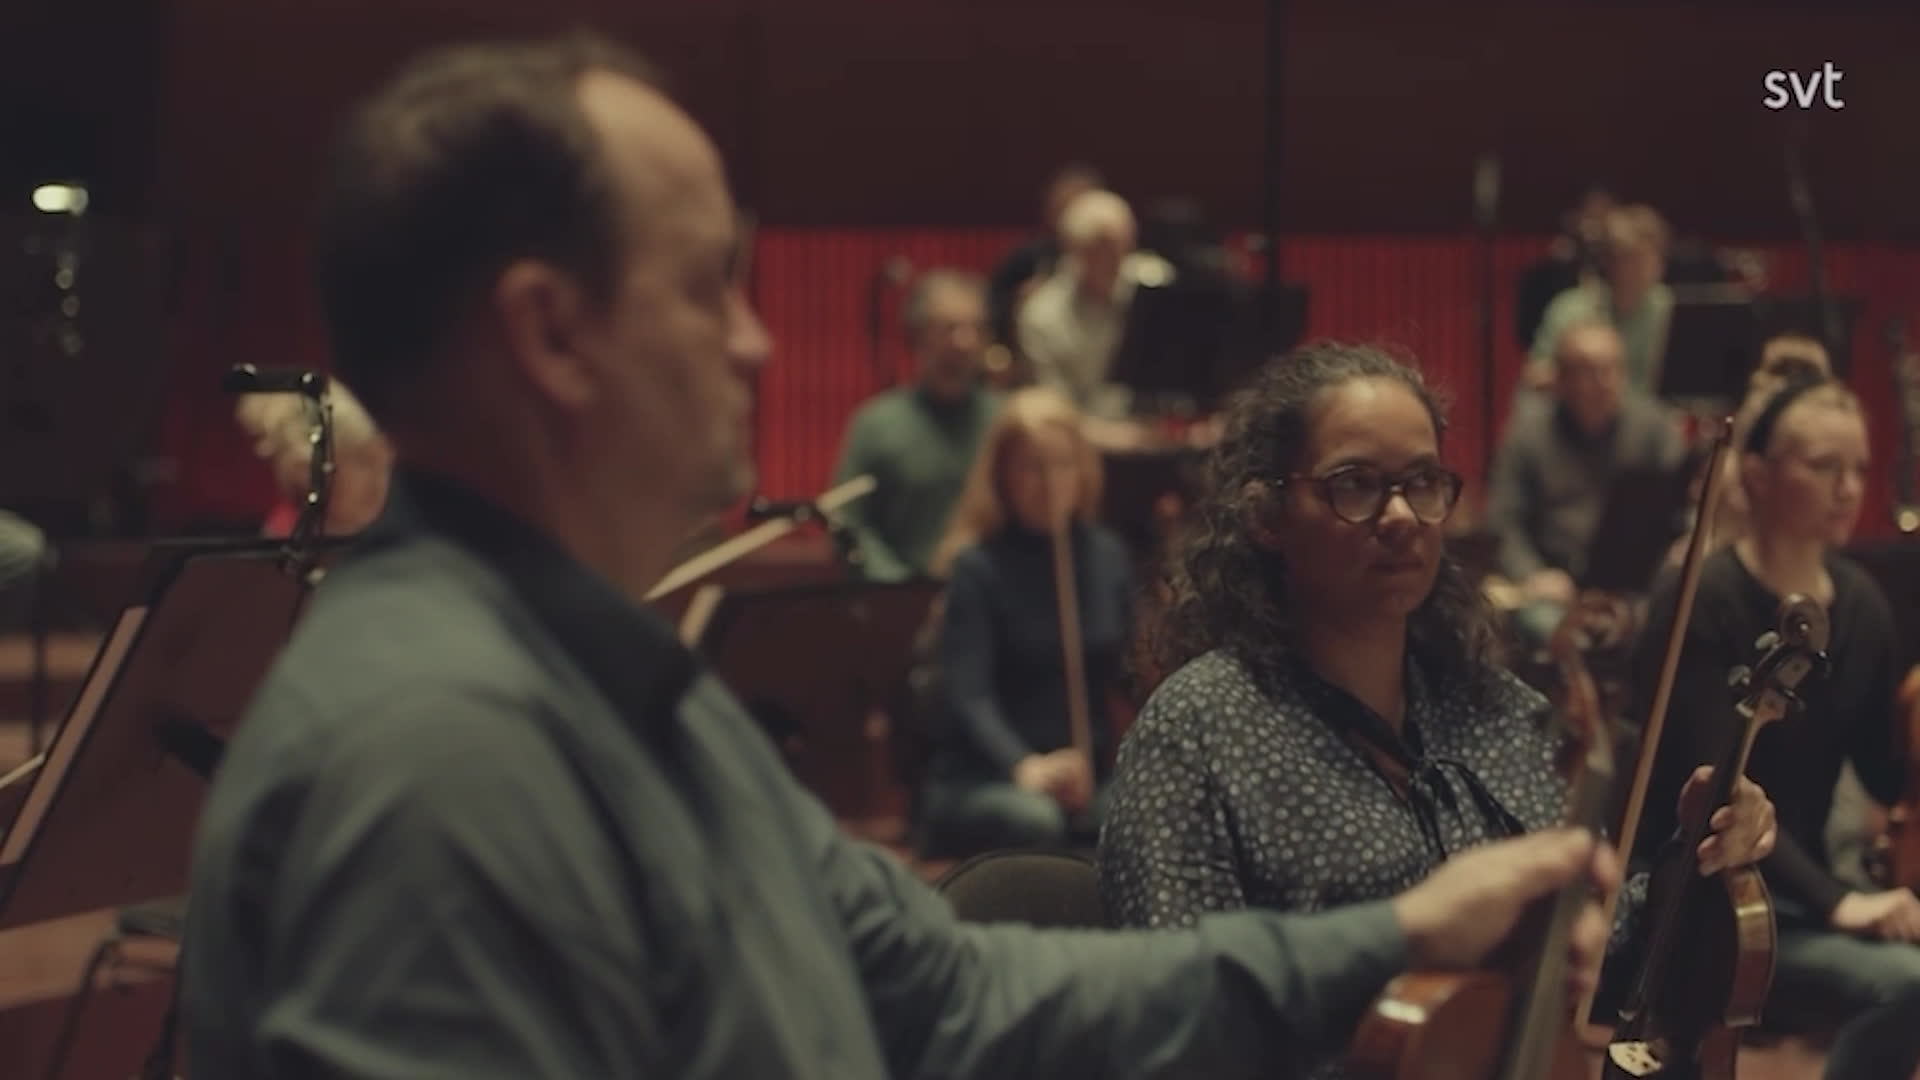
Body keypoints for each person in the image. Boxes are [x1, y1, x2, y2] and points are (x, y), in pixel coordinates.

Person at [183, 34, 1625, 1080]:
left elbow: (956, 990)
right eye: (711, 285)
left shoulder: (613, 689)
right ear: (552, 335)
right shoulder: (437, 755)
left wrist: (1397, 935)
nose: (756, 341)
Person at [1098, 343, 1776, 1080]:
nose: (1400, 516)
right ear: (1267, 515)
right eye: (1355, 485)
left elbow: (1598, 957)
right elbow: (1177, 1019)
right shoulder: (1193, 732)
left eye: (1421, 482)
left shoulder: (1504, 714)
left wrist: (1701, 855)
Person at [1636, 373, 1920, 1076]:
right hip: (1702, 908)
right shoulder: (1701, 598)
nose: (1848, 488)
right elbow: (1718, 789)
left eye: (1859, 469)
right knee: (1909, 985)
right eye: (1824, 466)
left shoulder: (1860, 605)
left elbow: (1884, 771)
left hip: (1802, 903)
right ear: (1757, 476)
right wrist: (1840, 902)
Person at [919, 387, 1131, 854]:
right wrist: (1025, 766)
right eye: (1031, 467)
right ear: (1002, 477)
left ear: (1083, 470)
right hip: (987, 776)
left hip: (1085, 775)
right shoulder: (977, 567)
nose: (1050, 482)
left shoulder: (1107, 557)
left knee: (1139, 811)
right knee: (1036, 820)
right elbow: (969, 695)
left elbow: (1130, 677)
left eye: (1063, 464)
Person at [1485, 320, 1686, 644]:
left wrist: (1682, 547)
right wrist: (1532, 574)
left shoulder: (1655, 428)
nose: (1605, 382)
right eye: (1590, 371)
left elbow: (1683, 505)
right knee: (1550, 629)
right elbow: (1503, 520)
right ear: (1561, 379)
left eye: (1612, 369)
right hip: (1557, 589)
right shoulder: (1527, 435)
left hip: (1638, 587)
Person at [831, 269, 1000, 582]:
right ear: (917, 336)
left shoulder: (1005, 422)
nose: (964, 342)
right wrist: (898, 586)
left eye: (976, 328)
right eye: (949, 328)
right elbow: (848, 523)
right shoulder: (877, 424)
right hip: (902, 596)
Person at [1017, 188, 1170, 424]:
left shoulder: (1158, 284)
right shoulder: (1041, 316)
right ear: (1073, 250)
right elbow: (1056, 413)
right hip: (1084, 437)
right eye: (1102, 249)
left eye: (1123, 247)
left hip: (1157, 425)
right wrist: (1119, 436)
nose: (1116, 261)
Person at [1528, 204, 1676, 395]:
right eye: (1628, 258)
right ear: (1608, 260)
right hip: (1584, 411)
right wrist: (1580, 372)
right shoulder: (1571, 307)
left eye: (1647, 258)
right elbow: (1536, 375)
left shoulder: (1671, 307)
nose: (1639, 269)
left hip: (1655, 413)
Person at [233, 378, 393, 536]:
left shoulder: (395, 529)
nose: (378, 474)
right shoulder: (285, 540)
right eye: (361, 459)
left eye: (380, 453)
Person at [986, 163, 1102, 348]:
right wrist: (1017, 303)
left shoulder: (1119, 262)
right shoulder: (1028, 257)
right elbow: (992, 307)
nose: (1070, 218)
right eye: (1062, 208)